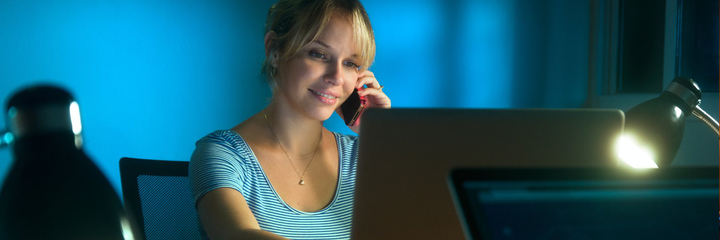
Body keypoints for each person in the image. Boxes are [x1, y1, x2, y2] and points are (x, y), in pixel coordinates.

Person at [188, 0, 390, 239]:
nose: (336, 77)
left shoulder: (364, 156)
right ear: (274, 50)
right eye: (319, 54)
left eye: (350, 63)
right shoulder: (222, 155)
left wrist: (382, 138)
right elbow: (238, 235)